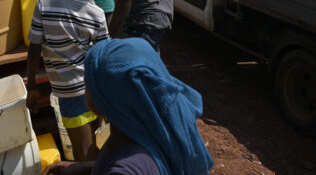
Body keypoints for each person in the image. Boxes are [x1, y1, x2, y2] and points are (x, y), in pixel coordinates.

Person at [43, 37, 213, 175]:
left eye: (87, 82)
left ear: (110, 100)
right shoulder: (147, 133)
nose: (84, 86)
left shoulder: (125, 168)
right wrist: (86, 167)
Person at [26, 0, 110, 162]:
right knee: (94, 149)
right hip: (94, 90)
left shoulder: (44, 5)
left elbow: (34, 47)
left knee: (85, 155)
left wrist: (32, 85)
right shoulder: (97, 14)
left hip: (68, 92)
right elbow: (103, 58)